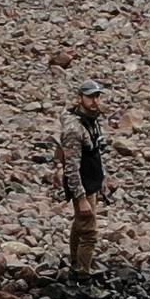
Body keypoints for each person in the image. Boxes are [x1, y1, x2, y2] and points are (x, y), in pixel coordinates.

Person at [54, 82, 110, 275]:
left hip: (91, 183)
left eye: (97, 96)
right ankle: (82, 276)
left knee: (80, 225)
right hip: (82, 186)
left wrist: (101, 180)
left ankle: (75, 264)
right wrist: (80, 198)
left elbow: (95, 153)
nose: (95, 101)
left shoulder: (90, 120)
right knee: (90, 234)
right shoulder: (73, 129)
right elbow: (71, 168)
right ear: (80, 98)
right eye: (90, 97)